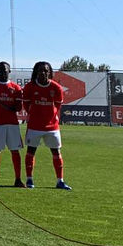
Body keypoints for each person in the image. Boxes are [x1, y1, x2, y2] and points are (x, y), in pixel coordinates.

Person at [23, 61, 72, 190]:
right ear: (36, 72)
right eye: (40, 70)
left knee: (56, 152)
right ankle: (29, 180)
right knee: (31, 152)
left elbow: (57, 106)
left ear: (50, 72)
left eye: (46, 70)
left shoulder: (56, 88)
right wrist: (35, 115)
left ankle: (60, 181)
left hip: (52, 127)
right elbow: (26, 106)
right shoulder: (29, 87)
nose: (43, 73)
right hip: (34, 126)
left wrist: (50, 117)